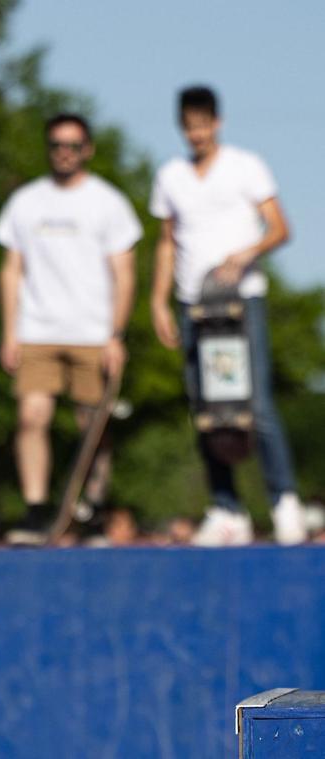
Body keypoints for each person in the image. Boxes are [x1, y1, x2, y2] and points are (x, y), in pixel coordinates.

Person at [149, 85, 306, 546]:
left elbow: (280, 227)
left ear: (217, 122)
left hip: (240, 300)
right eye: (189, 126)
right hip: (193, 304)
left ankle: (284, 500)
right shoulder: (172, 175)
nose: (196, 134)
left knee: (253, 403)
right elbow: (166, 240)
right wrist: (159, 300)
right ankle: (226, 507)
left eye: (203, 125)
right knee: (206, 407)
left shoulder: (246, 166)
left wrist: (246, 253)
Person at [0, 113, 142, 545]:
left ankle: (92, 509)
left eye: (73, 145)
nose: (65, 153)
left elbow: (125, 273)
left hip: (92, 332)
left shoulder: (108, 203)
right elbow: (11, 270)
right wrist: (9, 332)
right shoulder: (26, 202)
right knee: (31, 416)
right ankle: (37, 510)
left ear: (87, 150)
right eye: (57, 145)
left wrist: (116, 334)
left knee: (92, 425)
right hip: (37, 329)